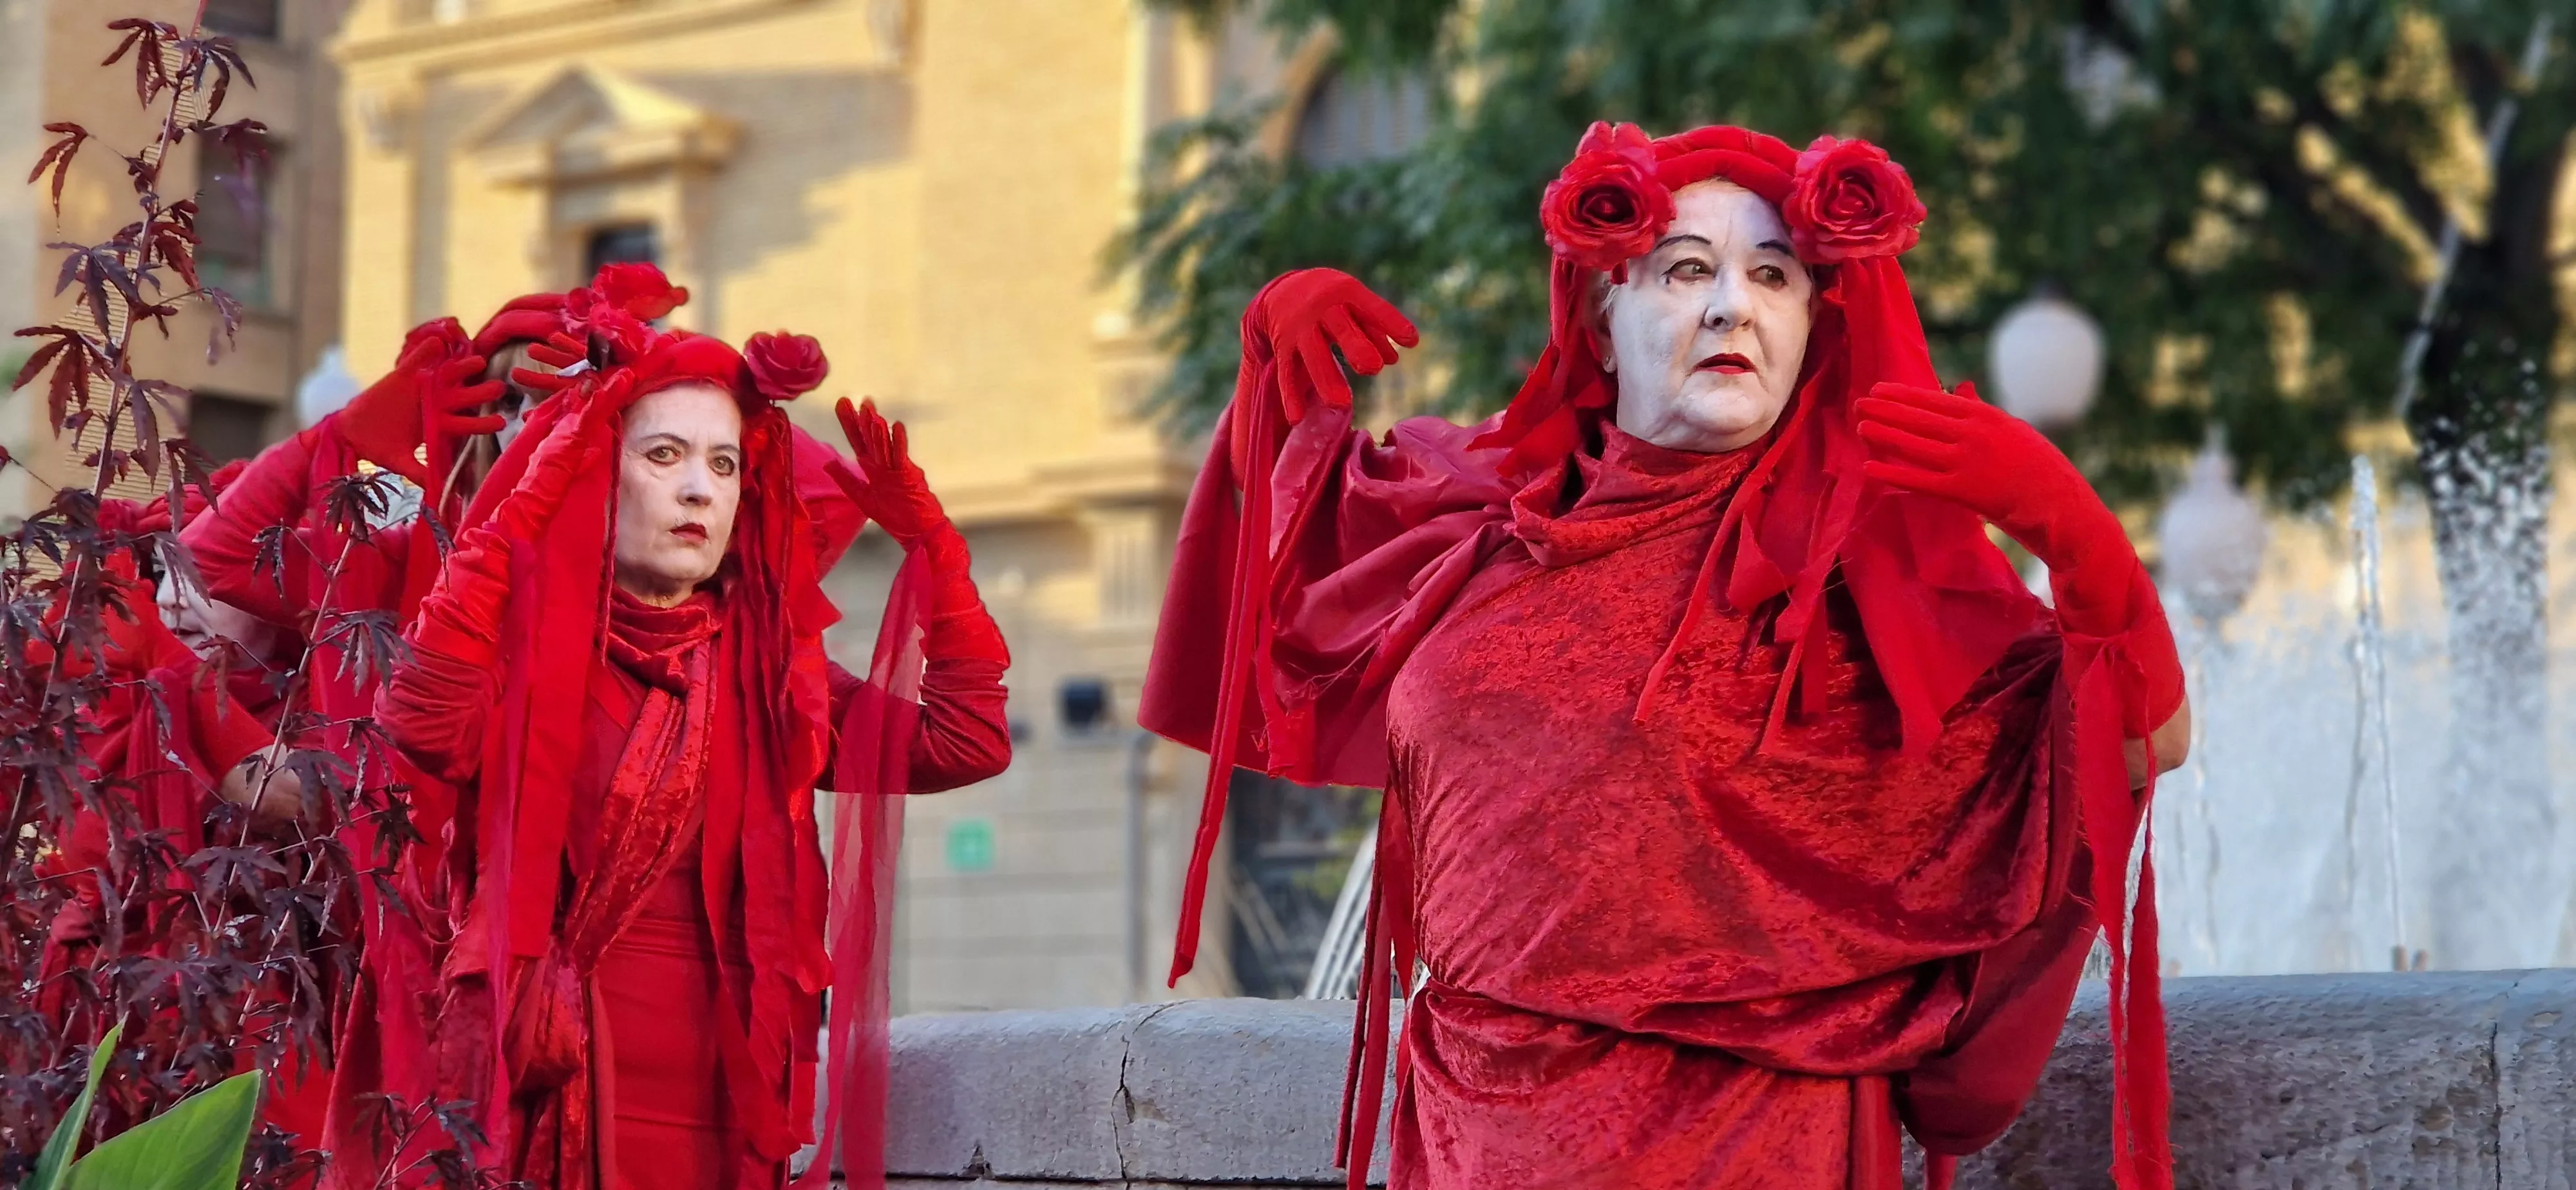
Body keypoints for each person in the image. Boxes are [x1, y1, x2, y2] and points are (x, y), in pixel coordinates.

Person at [1141, 124, 2190, 1190]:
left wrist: (2079, 535)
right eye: (1688, 269)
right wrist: (1274, 375)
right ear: (1600, 318)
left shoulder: (1860, 595)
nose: (1733, 305)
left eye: (1774, 276)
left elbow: (2137, 741)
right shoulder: (1475, 523)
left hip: (1739, 1147)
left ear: (1812, 323)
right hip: (1467, 1135)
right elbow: (1269, 604)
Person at [337, 325, 1011, 1190]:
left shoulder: (775, 674)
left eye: (725, 465)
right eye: (664, 455)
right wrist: (522, 518)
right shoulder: (515, 643)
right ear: (595, 471)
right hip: (529, 1083)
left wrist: (937, 549)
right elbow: (422, 728)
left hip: (718, 1109)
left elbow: (967, 743)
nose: (700, 489)